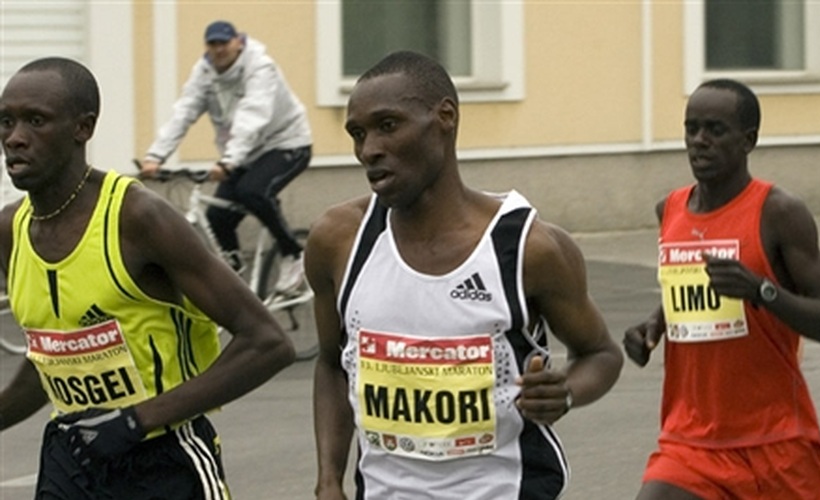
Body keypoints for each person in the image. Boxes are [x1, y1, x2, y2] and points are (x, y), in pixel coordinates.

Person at [304, 50, 624, 500]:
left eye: (388, 125)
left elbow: (601, 354)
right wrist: (328, 481)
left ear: (445, 117)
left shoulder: (528, 249)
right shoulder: (338, 241)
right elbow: (331, 363)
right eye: (357, 133)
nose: (369, 149)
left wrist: (564, 392)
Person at [0, 57, 295, 498]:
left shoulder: (138, 219)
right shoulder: (11, 229)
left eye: (36, 121)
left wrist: (135, 420)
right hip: (72, 456)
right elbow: (50, 355)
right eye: (6, 122)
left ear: (83, 128)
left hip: (161, 459)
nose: (15, 139)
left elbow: (268, 342)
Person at [623, 79, 820, 500]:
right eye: (691, 128)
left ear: (749, 140)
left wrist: (761, 290)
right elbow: (689, 287)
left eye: (715, 129)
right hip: (691, 442)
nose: (699, 141)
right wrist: (652, 327)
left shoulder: (780, 213)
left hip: (776, 441)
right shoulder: (669, 210)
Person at [139, 20, 313, 293]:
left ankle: (294, 255)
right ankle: (235, 282)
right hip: (244, 154)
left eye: (224, 43)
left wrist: (229, 161)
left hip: (286, 144)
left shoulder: (260, 67)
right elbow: (183, 113)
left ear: (238, 42)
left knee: (253, 191)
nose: (219, 49)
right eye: (213, 44)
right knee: (218, 217)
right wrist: (155, 157)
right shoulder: (204, 72)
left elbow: (252, 116)